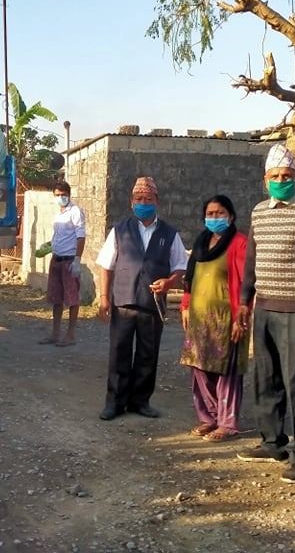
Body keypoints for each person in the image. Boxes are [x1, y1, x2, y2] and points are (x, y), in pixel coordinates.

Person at [236, 144, 295, 484]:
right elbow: (251, 261)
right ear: (266, 180)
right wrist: (244, 302)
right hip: (264, 307)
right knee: (266, 379)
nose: (281, 181)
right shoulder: (259, 211)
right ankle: (271, 441)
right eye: (275, 176)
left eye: (287, 176)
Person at [95, 177, 188, 420]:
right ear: (131, 202)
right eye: (138, 199)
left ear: (157, 201)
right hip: (123, 301)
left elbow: (181, 266)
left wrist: (170, 282)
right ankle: (114, 403)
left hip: (152, 304)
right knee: (119, 352)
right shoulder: (119, 230)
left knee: (148, 353)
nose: (143, 203)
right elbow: (106, 266)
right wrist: (104, 297)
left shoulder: (169, 233)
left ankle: (140, 401)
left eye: (148, 199)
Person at [179, 195, 249, 442]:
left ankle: (227, 422)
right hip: (199, 317)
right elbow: (190, 278)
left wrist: (241, 317)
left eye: (220, 213)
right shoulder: (201, 243)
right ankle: (208, 417)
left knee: (226, 372)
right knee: (199, 368)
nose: (214, 217)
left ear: (230, 216)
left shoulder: (240, 243)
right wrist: (185, 306)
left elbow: (247, 283)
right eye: (210, 213)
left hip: (227, 318)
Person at [34, 181, 86, 347]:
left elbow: (81, 237)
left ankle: (70, 334)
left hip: (69, 260)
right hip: (56, 259)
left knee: (71, 298)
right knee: (56, 298)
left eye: (63, 194)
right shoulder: (58, 215)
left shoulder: (75, 212)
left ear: (69, 194)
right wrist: (49, 247)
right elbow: (59, 237)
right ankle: (55, 334)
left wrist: (77, 259)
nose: (61, 198)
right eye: (57, 195)